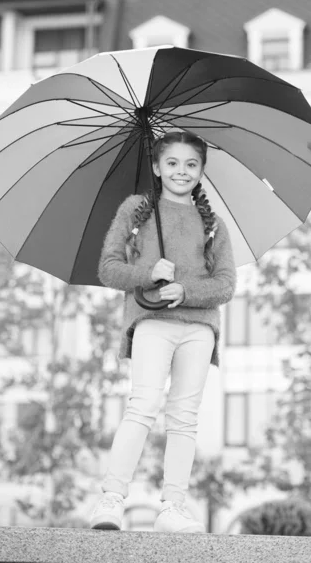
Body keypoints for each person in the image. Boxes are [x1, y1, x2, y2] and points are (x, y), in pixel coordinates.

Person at [89, 130, 236, 533]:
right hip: (151, 322)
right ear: (157, 167)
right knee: (142, 405)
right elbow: (108, 268)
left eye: (191, 164)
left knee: (184, 417)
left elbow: (225, 285)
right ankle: (112, 499)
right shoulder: (135, 211)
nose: (181, 171)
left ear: (201, 170)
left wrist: (186, 290)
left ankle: (173, 506)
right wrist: (149, 272)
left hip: (199, 329)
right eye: (172, 163)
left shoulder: (213, 224)